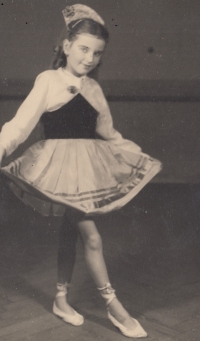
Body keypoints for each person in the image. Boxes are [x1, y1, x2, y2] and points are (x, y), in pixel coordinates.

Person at [0, 4, 162, 338]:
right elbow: (20, 125)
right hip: (56, 170)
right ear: (67, 46)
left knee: (70, 231)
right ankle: (113, 306)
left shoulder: (94, 90)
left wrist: (136, 154)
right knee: (91, 235)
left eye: (97, 53)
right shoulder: (48, 80)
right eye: (84, 49)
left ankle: (61, 298)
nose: (89, 58)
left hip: (86, 172)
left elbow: (109, 134)